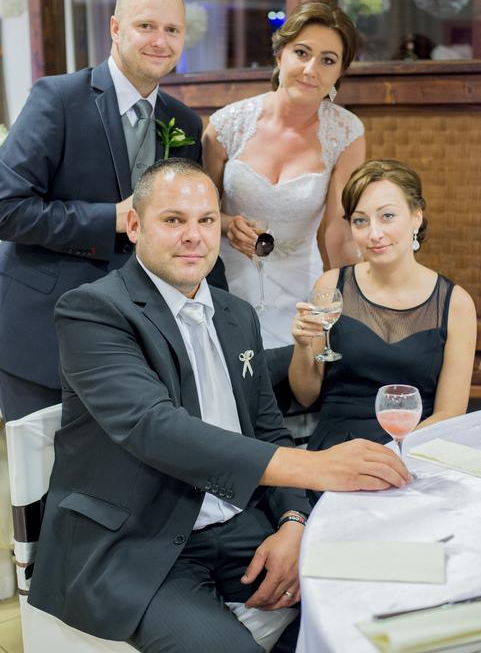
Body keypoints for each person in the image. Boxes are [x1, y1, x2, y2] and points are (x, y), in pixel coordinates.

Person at [28, 159, 410, 653]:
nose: (194, 235)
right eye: (173, 220)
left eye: (206, 220)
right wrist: (318, 467)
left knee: (377, 604)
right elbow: (156, 428)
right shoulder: (94, 310)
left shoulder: (235, 314)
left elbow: (268, 430)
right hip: (140, 543)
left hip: (239, 524)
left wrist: (294, 523)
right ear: (134, 225)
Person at [0, 0, 225, 423]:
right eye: (146, 26)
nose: (160, 40)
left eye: (172, 29)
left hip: (142, 343)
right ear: (116, 28)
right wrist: (111, 220)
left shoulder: (183, 122)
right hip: (45, 334)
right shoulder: (58, 98)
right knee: (46, 467)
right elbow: (7, 209)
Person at [203, 0, 365, 350]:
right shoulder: (226, 126)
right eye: (301, 53)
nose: (310, 69)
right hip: (226, 280)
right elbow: (199, 215)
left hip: (301, 285)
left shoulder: (346, 133)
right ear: (280, 55)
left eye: (327, 60)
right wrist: (228, 224)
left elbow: (338, 230)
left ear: (340, 72)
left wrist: (349, 302)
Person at [289, 159, 477, 462]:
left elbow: (449, 413)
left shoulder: (455, 304)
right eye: (360, 221)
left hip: (415, 452)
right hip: (337, 452)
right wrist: (302, 346)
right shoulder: (332, 286)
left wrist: (389, 456)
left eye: (387, 216)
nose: (373, 234)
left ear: (416, 217)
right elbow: (306, 395)